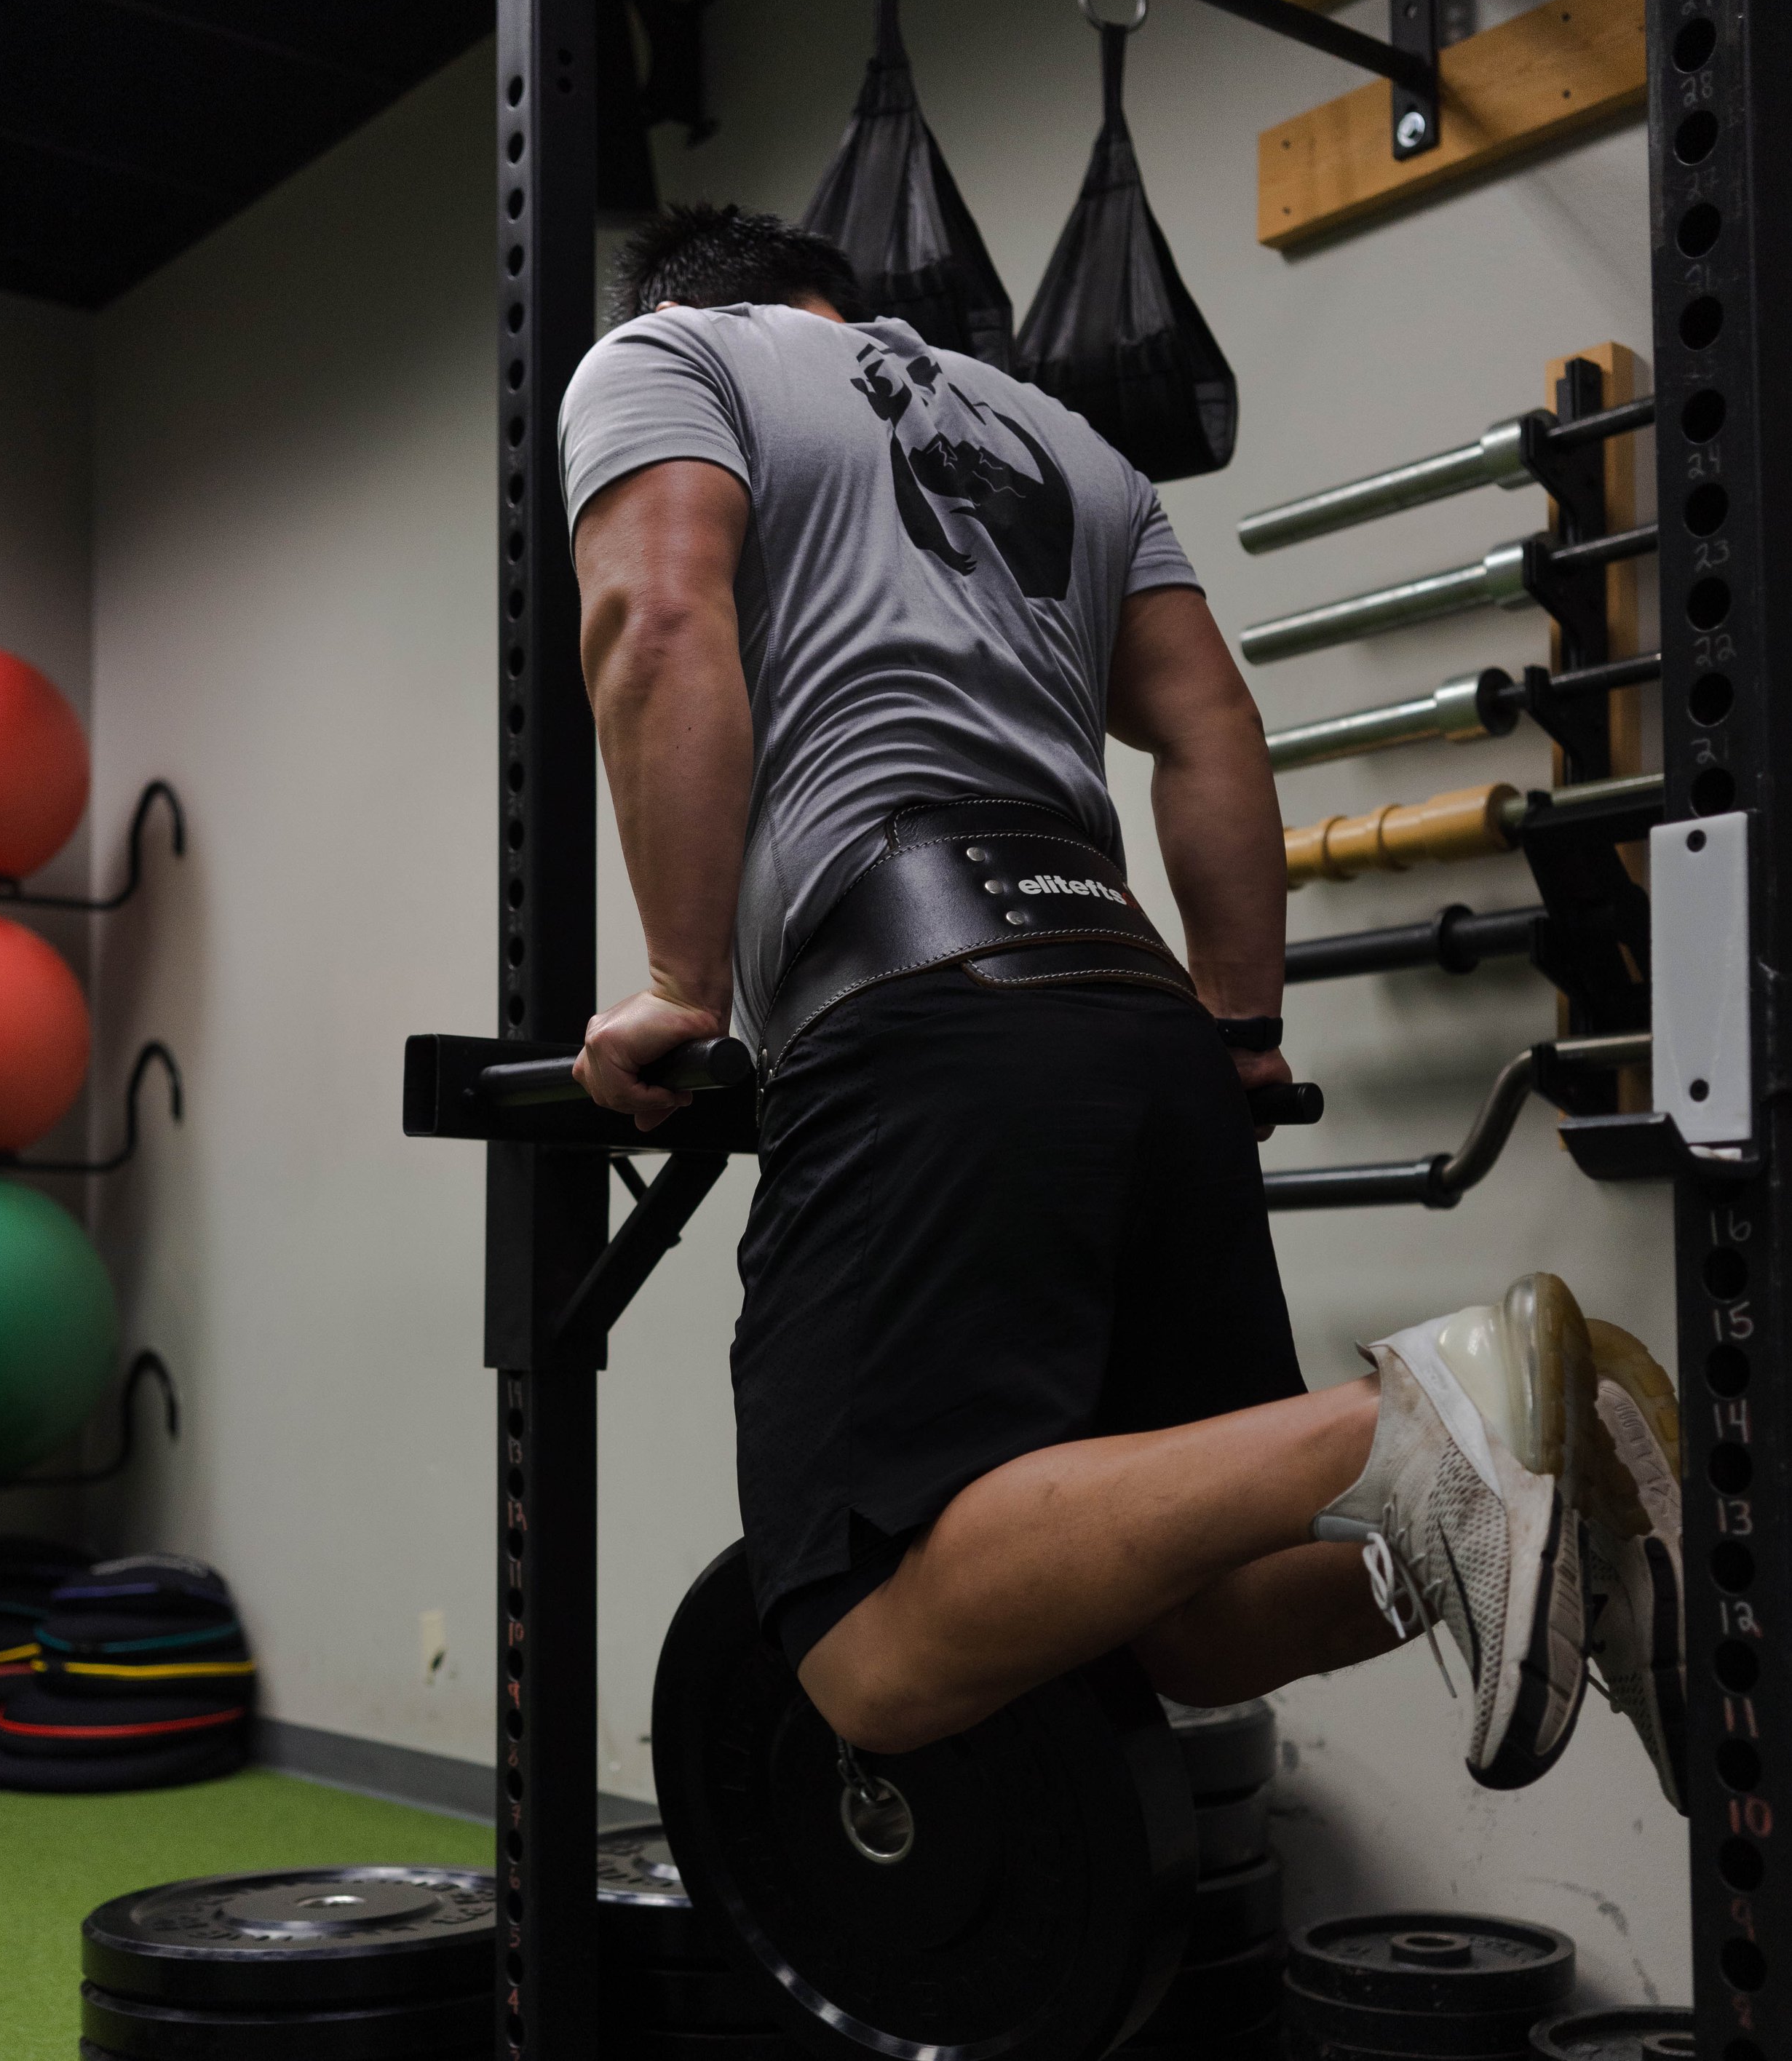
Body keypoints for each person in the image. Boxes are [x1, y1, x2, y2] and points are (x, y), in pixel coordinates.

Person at [558, 201, 1685, 1808]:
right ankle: (1578, 1513)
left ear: (705, 305)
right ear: (843, 301)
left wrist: (680, 988)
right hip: (1135, 1018)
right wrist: (1237, 1027)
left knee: (863, 1647)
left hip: (920, 1009)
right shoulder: (1058, 436)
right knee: (1197, 1628)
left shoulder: (666, 354)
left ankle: (1431, 1427)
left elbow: (654, 620)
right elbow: (1211, 728)